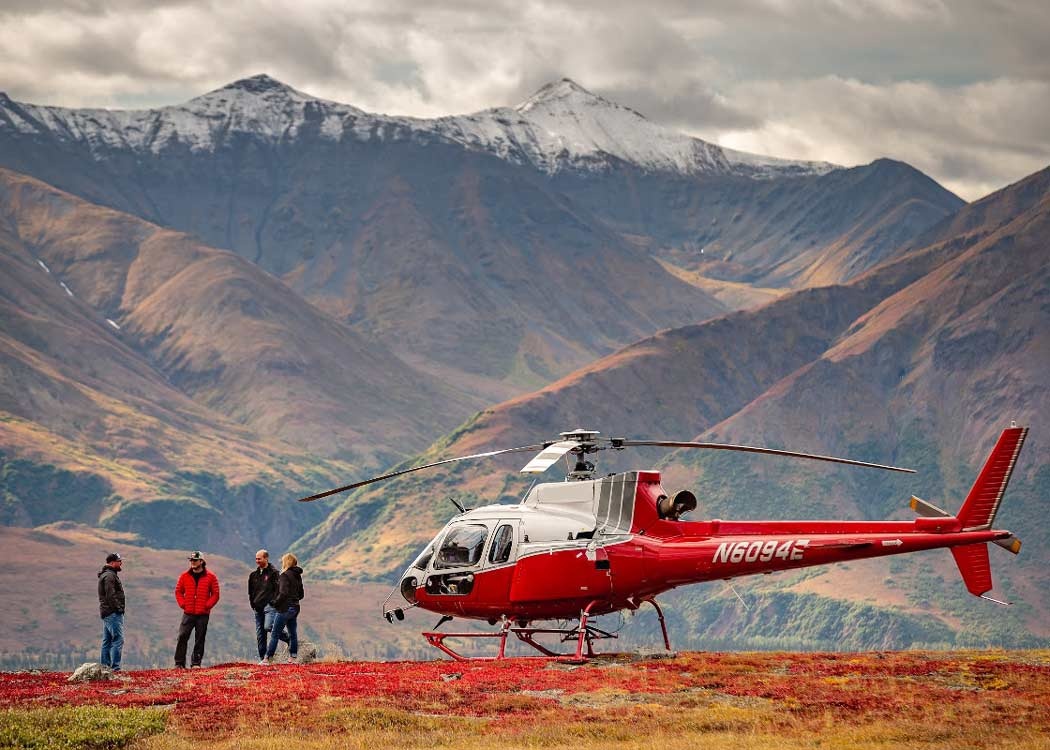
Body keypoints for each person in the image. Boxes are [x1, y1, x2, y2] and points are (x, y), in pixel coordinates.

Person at [174, 551, 220, 668]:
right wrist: (183, 604)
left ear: (202, 561)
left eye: (195, 560)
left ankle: (196, 663)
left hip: (203, 614)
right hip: (188, 613)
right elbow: (178, 591)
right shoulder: (184, 576)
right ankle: (179, 664)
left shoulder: (211, 577)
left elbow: (215, 594)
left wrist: (207, 606)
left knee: (199, 638)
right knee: (182, 636)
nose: (192, 562)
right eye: (191, 560)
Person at [263, 553, 304, 665]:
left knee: (275, 634)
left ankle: (267, 658)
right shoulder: (297, 576)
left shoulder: (284, 575)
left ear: (286, 562)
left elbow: (283, 593)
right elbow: (301, 595)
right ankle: (293, 658)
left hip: (285, 608)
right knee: (293, 634)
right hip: (295, 607)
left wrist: (275, 603)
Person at [248, 549, 279, 661]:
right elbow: (250, 591)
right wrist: (253, 604)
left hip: (269, 607)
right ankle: (264, 659)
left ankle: (290, 639)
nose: (257, 561)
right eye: (256, 558)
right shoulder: (253, 575)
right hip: (258, 608)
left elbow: (278, 590)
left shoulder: (274, 573)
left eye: (259, 559)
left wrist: (273, 602)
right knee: (260, 635)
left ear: (266, 558)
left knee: (269, 626)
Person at [97, 552, 125, 671]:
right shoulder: (109, 576)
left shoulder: (108, 575)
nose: (121, 563)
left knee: (107, 640)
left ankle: (105, 667)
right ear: (113, 563)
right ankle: (115, 668)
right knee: (118, 639)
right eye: (119, 561)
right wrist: (118, 608)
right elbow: (110, 595)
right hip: (112, 613)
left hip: (107, 612)